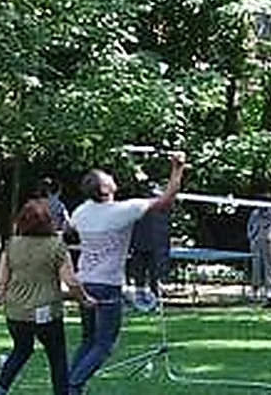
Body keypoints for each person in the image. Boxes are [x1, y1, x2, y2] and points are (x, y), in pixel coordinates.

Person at [65, 150, 186, 395]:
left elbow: (69, 230)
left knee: (88, 340)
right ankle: (72, 386)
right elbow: (165, 201)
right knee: (105, 344)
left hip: (84, 281)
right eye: (106, 177)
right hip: (107, 285)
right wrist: (178, 168)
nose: (111, 176)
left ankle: (67, 387)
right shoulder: (122, 211)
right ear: (105, 190)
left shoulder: (81, 211)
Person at [0, 198, 91, 395]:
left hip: (16, 312)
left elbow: (2, 281)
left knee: (21, 349)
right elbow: (70, 281)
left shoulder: (11, 245)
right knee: (57, 356)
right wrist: (84, 299)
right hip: (47, 311)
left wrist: (1, 297)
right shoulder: (56, 246)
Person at [247, 204, 271, 302]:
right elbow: (249, 226)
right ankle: (255, 291)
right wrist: (252, 237)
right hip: (256, 242)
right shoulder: (254, 213)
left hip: (268, 243)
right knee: (256, 266)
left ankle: (269, 290)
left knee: (268, 266)